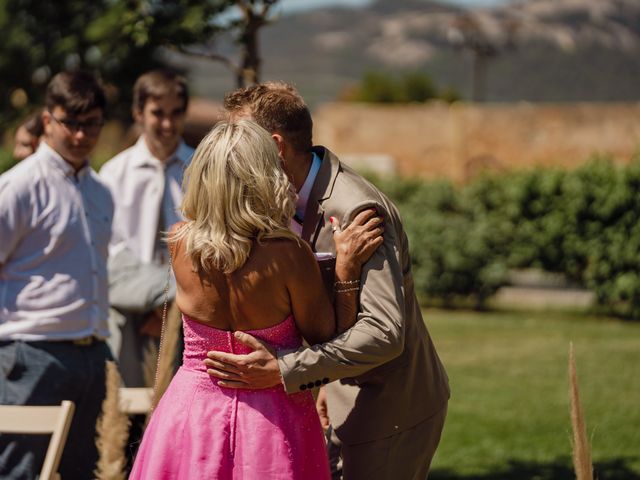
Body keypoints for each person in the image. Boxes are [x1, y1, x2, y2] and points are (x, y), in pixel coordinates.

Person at [205, 82, 451, 480]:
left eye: (241, 142)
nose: (233, 155)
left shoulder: (356, 209)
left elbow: (384, 333)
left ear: (276, 146)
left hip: (389, 410)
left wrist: (286, 370)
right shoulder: (278, 199)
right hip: (336, 395)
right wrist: (326, 385)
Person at [129, 120, 383, 478]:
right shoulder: (289, 255)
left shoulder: (179, 241)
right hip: (271, 420)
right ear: (264, 176)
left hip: (190, 413)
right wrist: (347, 269)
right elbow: (327, 339)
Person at [0, 71, 112, 479]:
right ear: (48, 121)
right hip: (32, 352)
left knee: (87, 471)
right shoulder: (18, 187)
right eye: (72, 123)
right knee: (21, 471)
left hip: (94, 351)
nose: (82, 135)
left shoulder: (102, 191)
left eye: (92, 124)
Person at [99, 69, 194, 387]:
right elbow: (108, 250)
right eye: (157, 113)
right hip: (125, 313)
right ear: (138, 113)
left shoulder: (200, 170)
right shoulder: (114, 173)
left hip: (185, 311)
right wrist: (150, 300)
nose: (167, 124)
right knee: (124, 403)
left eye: (175, 113)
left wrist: (168, 308)